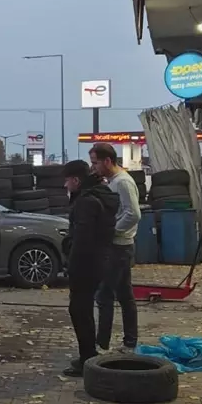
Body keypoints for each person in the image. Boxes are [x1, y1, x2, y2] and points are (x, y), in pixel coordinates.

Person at [59, 160, 120, 377]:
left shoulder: (86, 202)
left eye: (67, 181)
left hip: (86, 264)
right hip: (100, 260)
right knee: (82, 309)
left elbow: (82, 240)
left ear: (76, 180)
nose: (65, 186)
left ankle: (87, 357)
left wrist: (71, 265)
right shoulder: (100, 195)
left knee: (79, 310)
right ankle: (88, 354)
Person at [90, 141, 141, 353]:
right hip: (120, 245)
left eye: (95, 163)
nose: (93, 167)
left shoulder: (122, 183)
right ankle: (130, 342)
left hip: (118, 247)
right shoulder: (112, 181)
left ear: (108, 161)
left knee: (104, 295)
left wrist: (112, 231)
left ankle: (102, 344)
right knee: (124, 295)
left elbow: (133, 214)